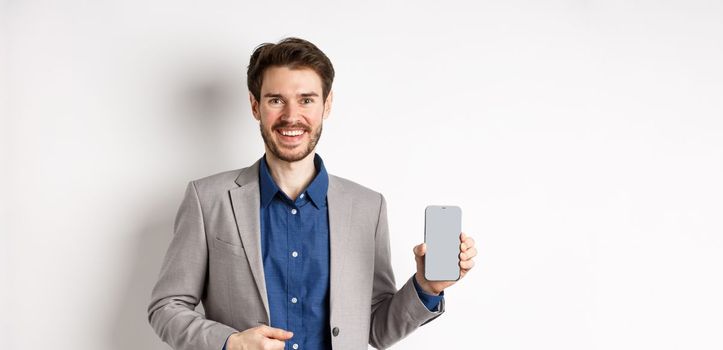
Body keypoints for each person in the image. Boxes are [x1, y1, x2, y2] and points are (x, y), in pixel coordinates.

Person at [147, 37, 477, 350]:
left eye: (306, 100)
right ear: (254, 106)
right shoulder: (208, 199)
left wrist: (427, 286)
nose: (292, 116)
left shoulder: (367, 207)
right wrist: (230, 342)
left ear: (326, 105)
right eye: (276, 100)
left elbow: (376, 329)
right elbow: (167, 306)